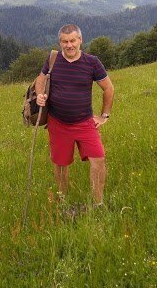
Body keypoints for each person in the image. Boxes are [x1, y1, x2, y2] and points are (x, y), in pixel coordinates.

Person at [35, 24, 114, 206]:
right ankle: (62, 200)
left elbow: (108, 88)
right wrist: (40, 95)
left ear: (80, 40)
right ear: (60, 42)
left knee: (98, 159)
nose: (69, 45)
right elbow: (40, 80)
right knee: (61, 164)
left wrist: (104, 115)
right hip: (58, 123)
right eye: (65, 41)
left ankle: (98, 203)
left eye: (72, 40)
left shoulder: (92, 62)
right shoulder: (53, 59)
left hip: (85, 123)